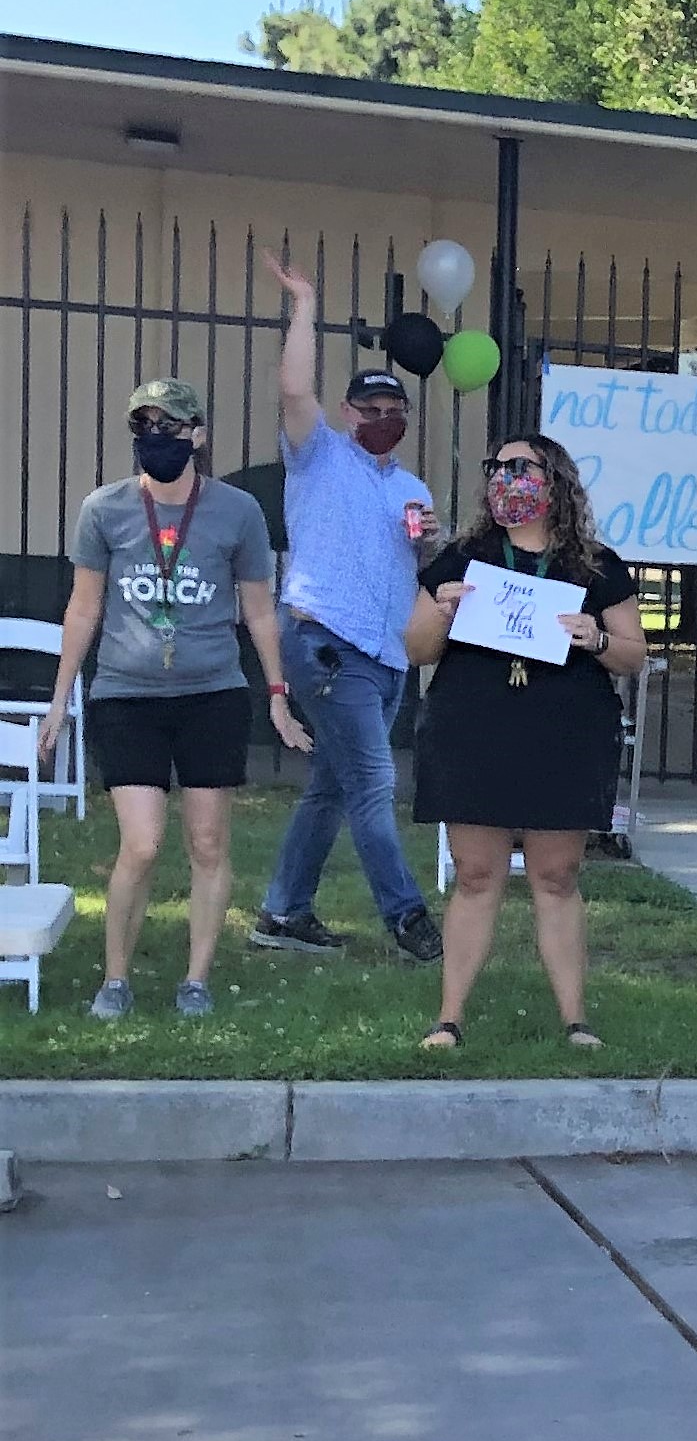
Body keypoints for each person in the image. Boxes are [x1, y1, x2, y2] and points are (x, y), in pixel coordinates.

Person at [37, 378, 314, 1019]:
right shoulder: (103, 509)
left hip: (210, 694)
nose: (155, 440)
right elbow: (83, 607)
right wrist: (59, 700)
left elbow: (259, 611)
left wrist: (277, 695)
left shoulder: (237, 511)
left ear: (198, 435)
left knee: (210, 844)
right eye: (144, 429)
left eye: (168, 428)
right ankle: (114, 980)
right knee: (140, 843)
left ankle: (195, 980)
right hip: (126, 694)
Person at [403, 436, 648, 1050]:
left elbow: (633, 655)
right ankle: (449, 1020)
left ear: (554, 480)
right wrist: (442, 612)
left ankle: (575, 1023)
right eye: (497, 468)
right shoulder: (463, 557)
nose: (507, 478)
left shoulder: (594, 564)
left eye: (522, 467)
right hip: (473, 729)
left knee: (557, 876)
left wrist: (594, 638)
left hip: (564, 734)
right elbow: (416, 649)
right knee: (477, 874)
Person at [249, 249, 447, 966]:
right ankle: (409, 919)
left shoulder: (412, 487)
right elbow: (293, 390)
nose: (385, 418)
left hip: (390, 655)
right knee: (373, 783)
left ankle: (282, 911)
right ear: (347, 413)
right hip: (327, 643)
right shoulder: (319, 455)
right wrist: (304, 303)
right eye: (372, 409)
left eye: (397, 410)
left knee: (331, 790)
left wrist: (430, 545)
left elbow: (424, 566)